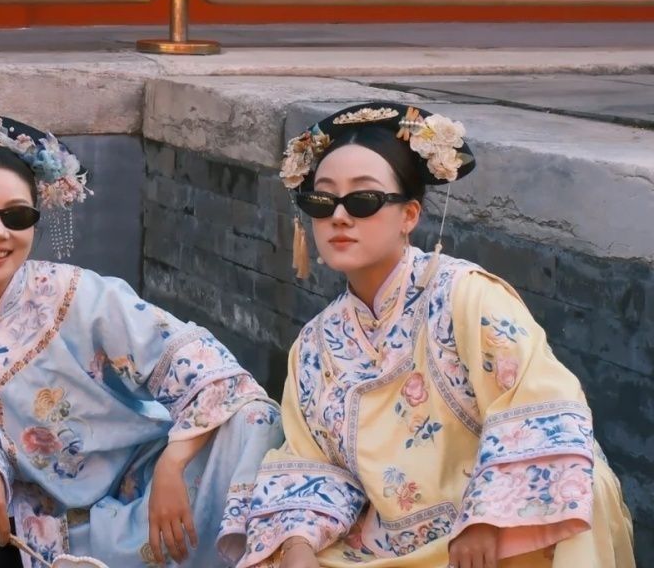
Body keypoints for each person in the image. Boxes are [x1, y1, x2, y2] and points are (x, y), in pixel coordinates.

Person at [222, 102, 635, 568]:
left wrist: (486, 519)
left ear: (410, 215)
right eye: (322, 201)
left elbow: (543, 404)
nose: (339, 216)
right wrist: (297, 544)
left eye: (363, 199)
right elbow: (312, 459)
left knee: (578, 490)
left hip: (497, 527)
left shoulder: (466, 295)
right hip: (389, 540)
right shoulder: (315, 346)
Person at [0, 113, 282, 568]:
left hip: (142, 486)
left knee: (253, 418)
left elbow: (202, 363)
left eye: (17, 216)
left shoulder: (77, 293)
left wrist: (173, 463)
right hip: (27, 515)